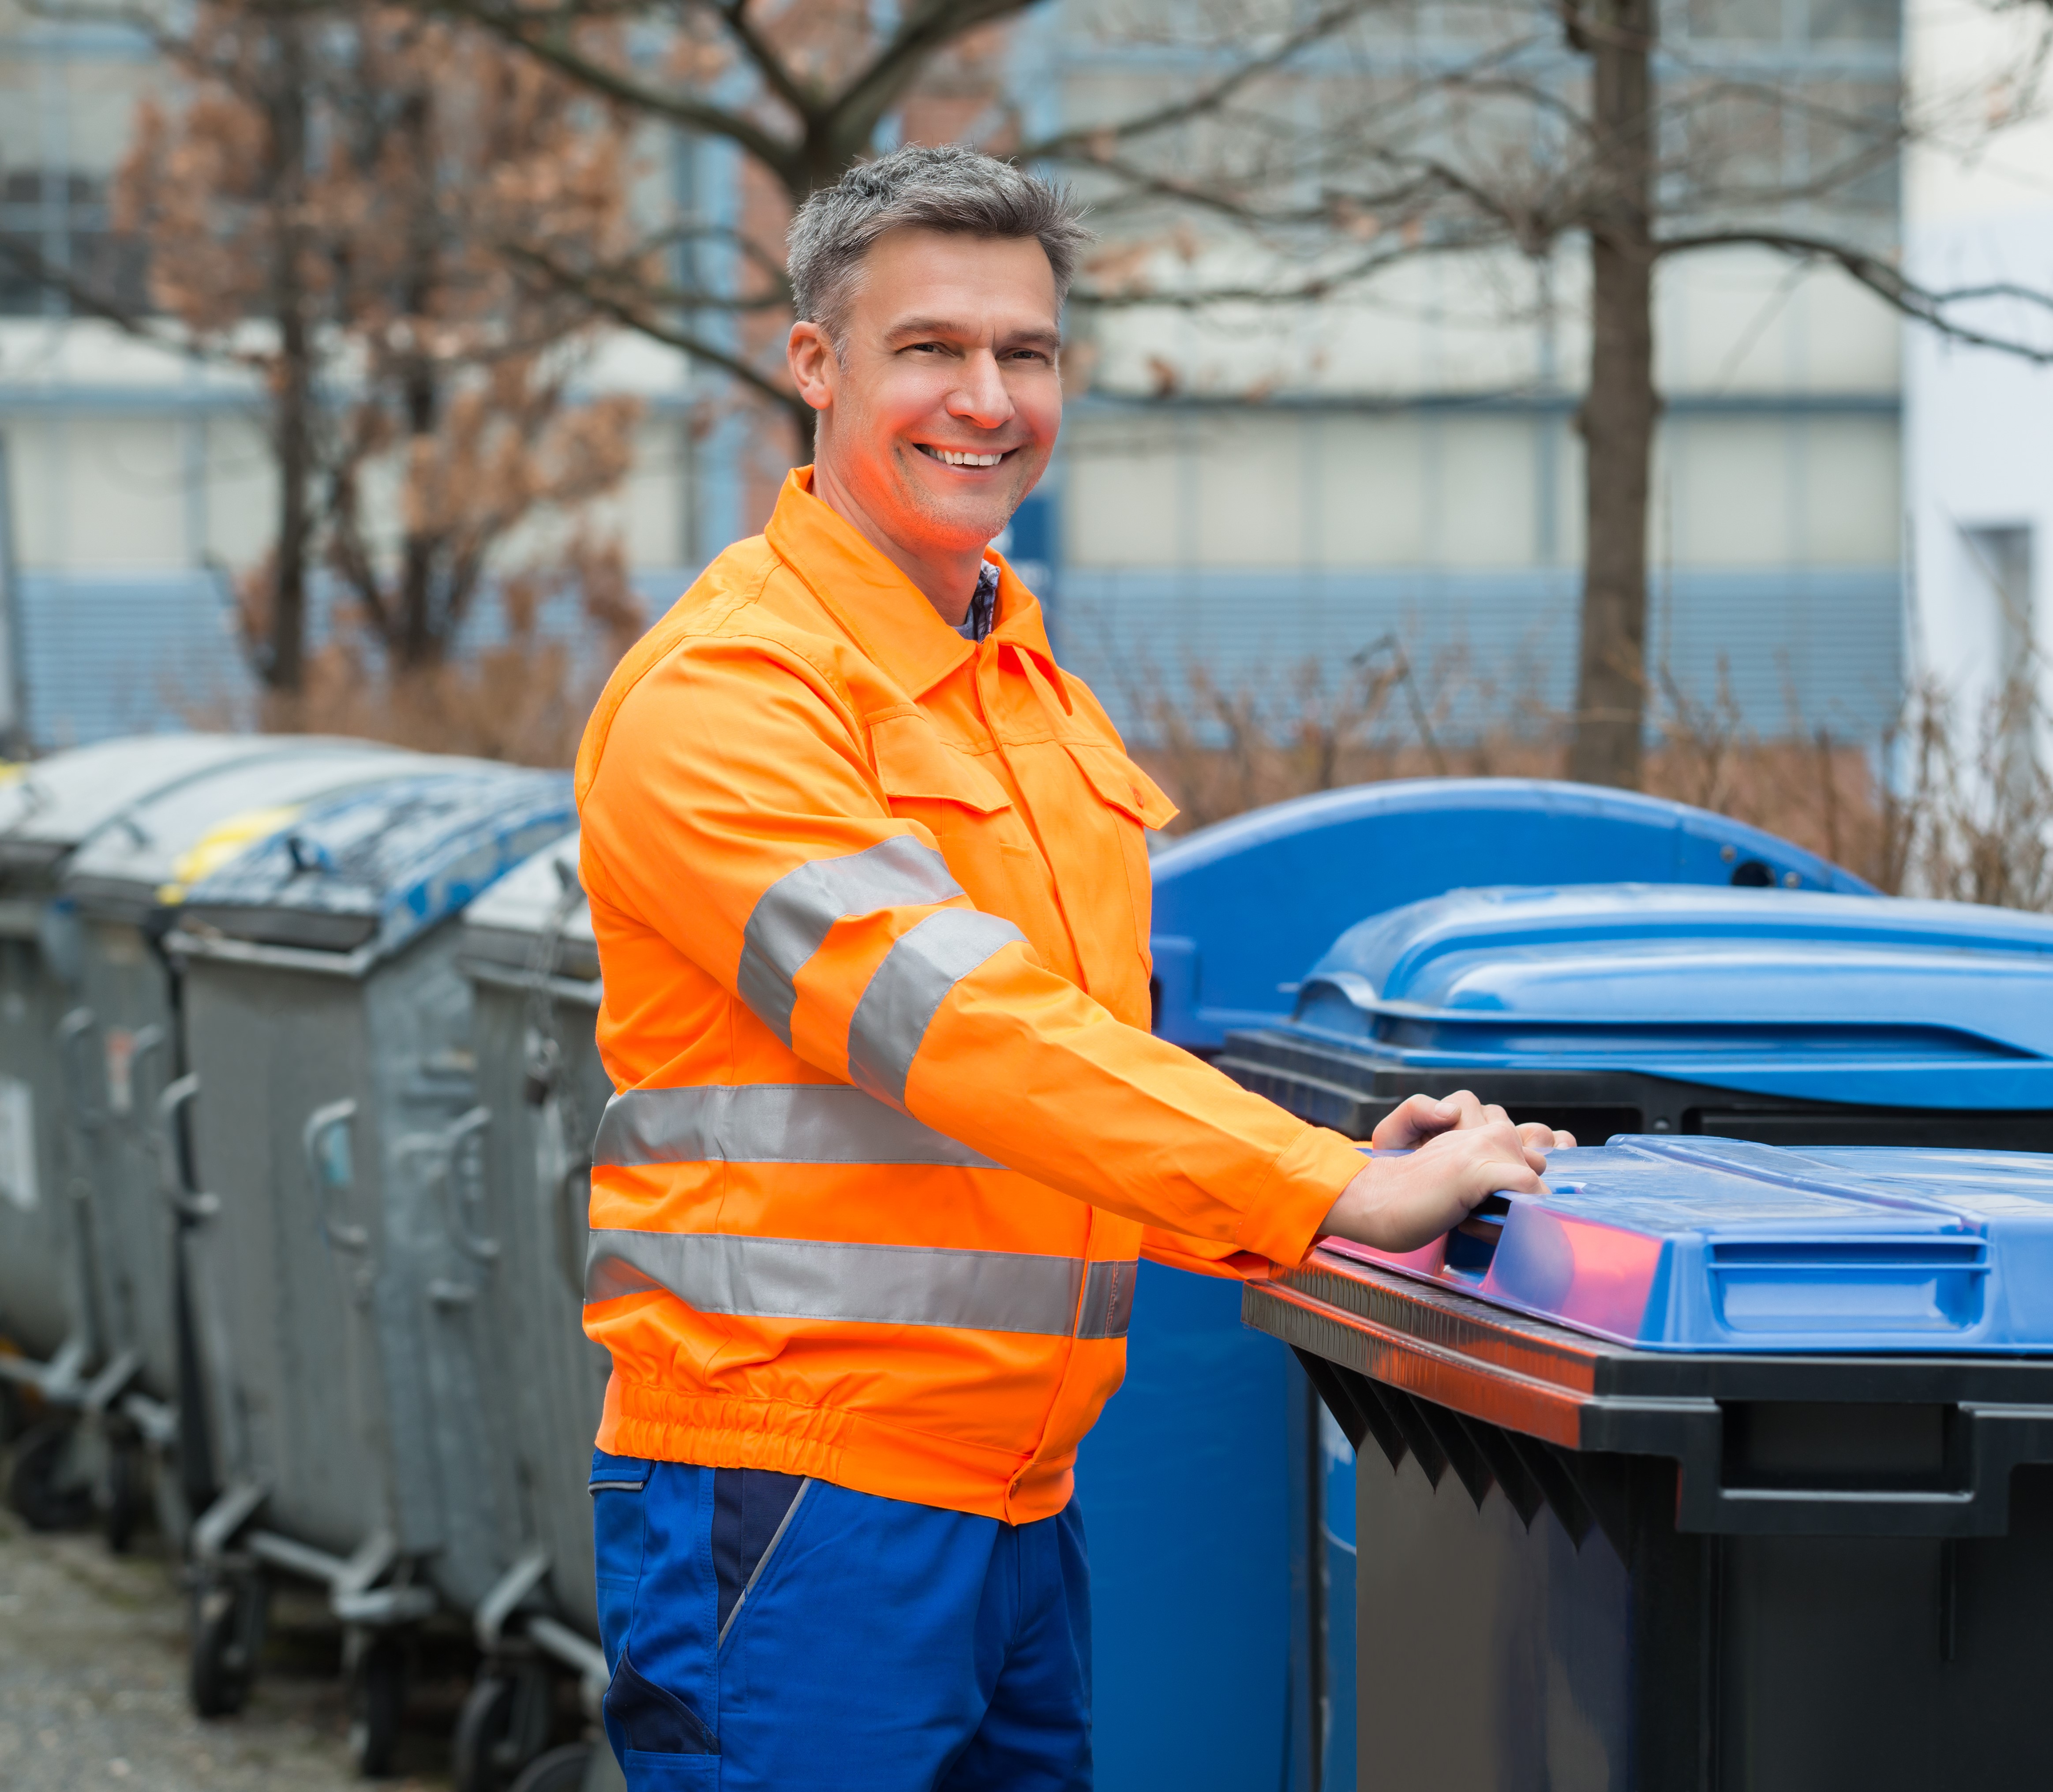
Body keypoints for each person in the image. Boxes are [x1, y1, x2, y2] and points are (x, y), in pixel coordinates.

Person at [574, 142, 1572, 1792]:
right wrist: (1315, 1188)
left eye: (1024, 353)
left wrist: (1323, 1168)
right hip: (802, 1495)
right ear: (812, 364)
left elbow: (1079, 1067)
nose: (987, 397)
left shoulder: (1017, 683)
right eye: (930, 349)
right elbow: (964, 1034)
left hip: (1018, 1492)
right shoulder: (726, 701)